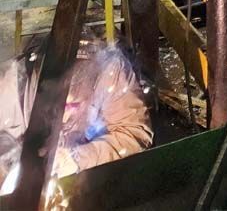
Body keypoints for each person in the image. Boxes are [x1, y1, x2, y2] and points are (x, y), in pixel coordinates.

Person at [0, 39, 153, 189]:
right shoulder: (10, 87)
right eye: (57, 97)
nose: (69, 98)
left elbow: (133, 133)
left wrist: (77, 158)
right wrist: (13, 163)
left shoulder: (110, 71)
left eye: (73, 104)